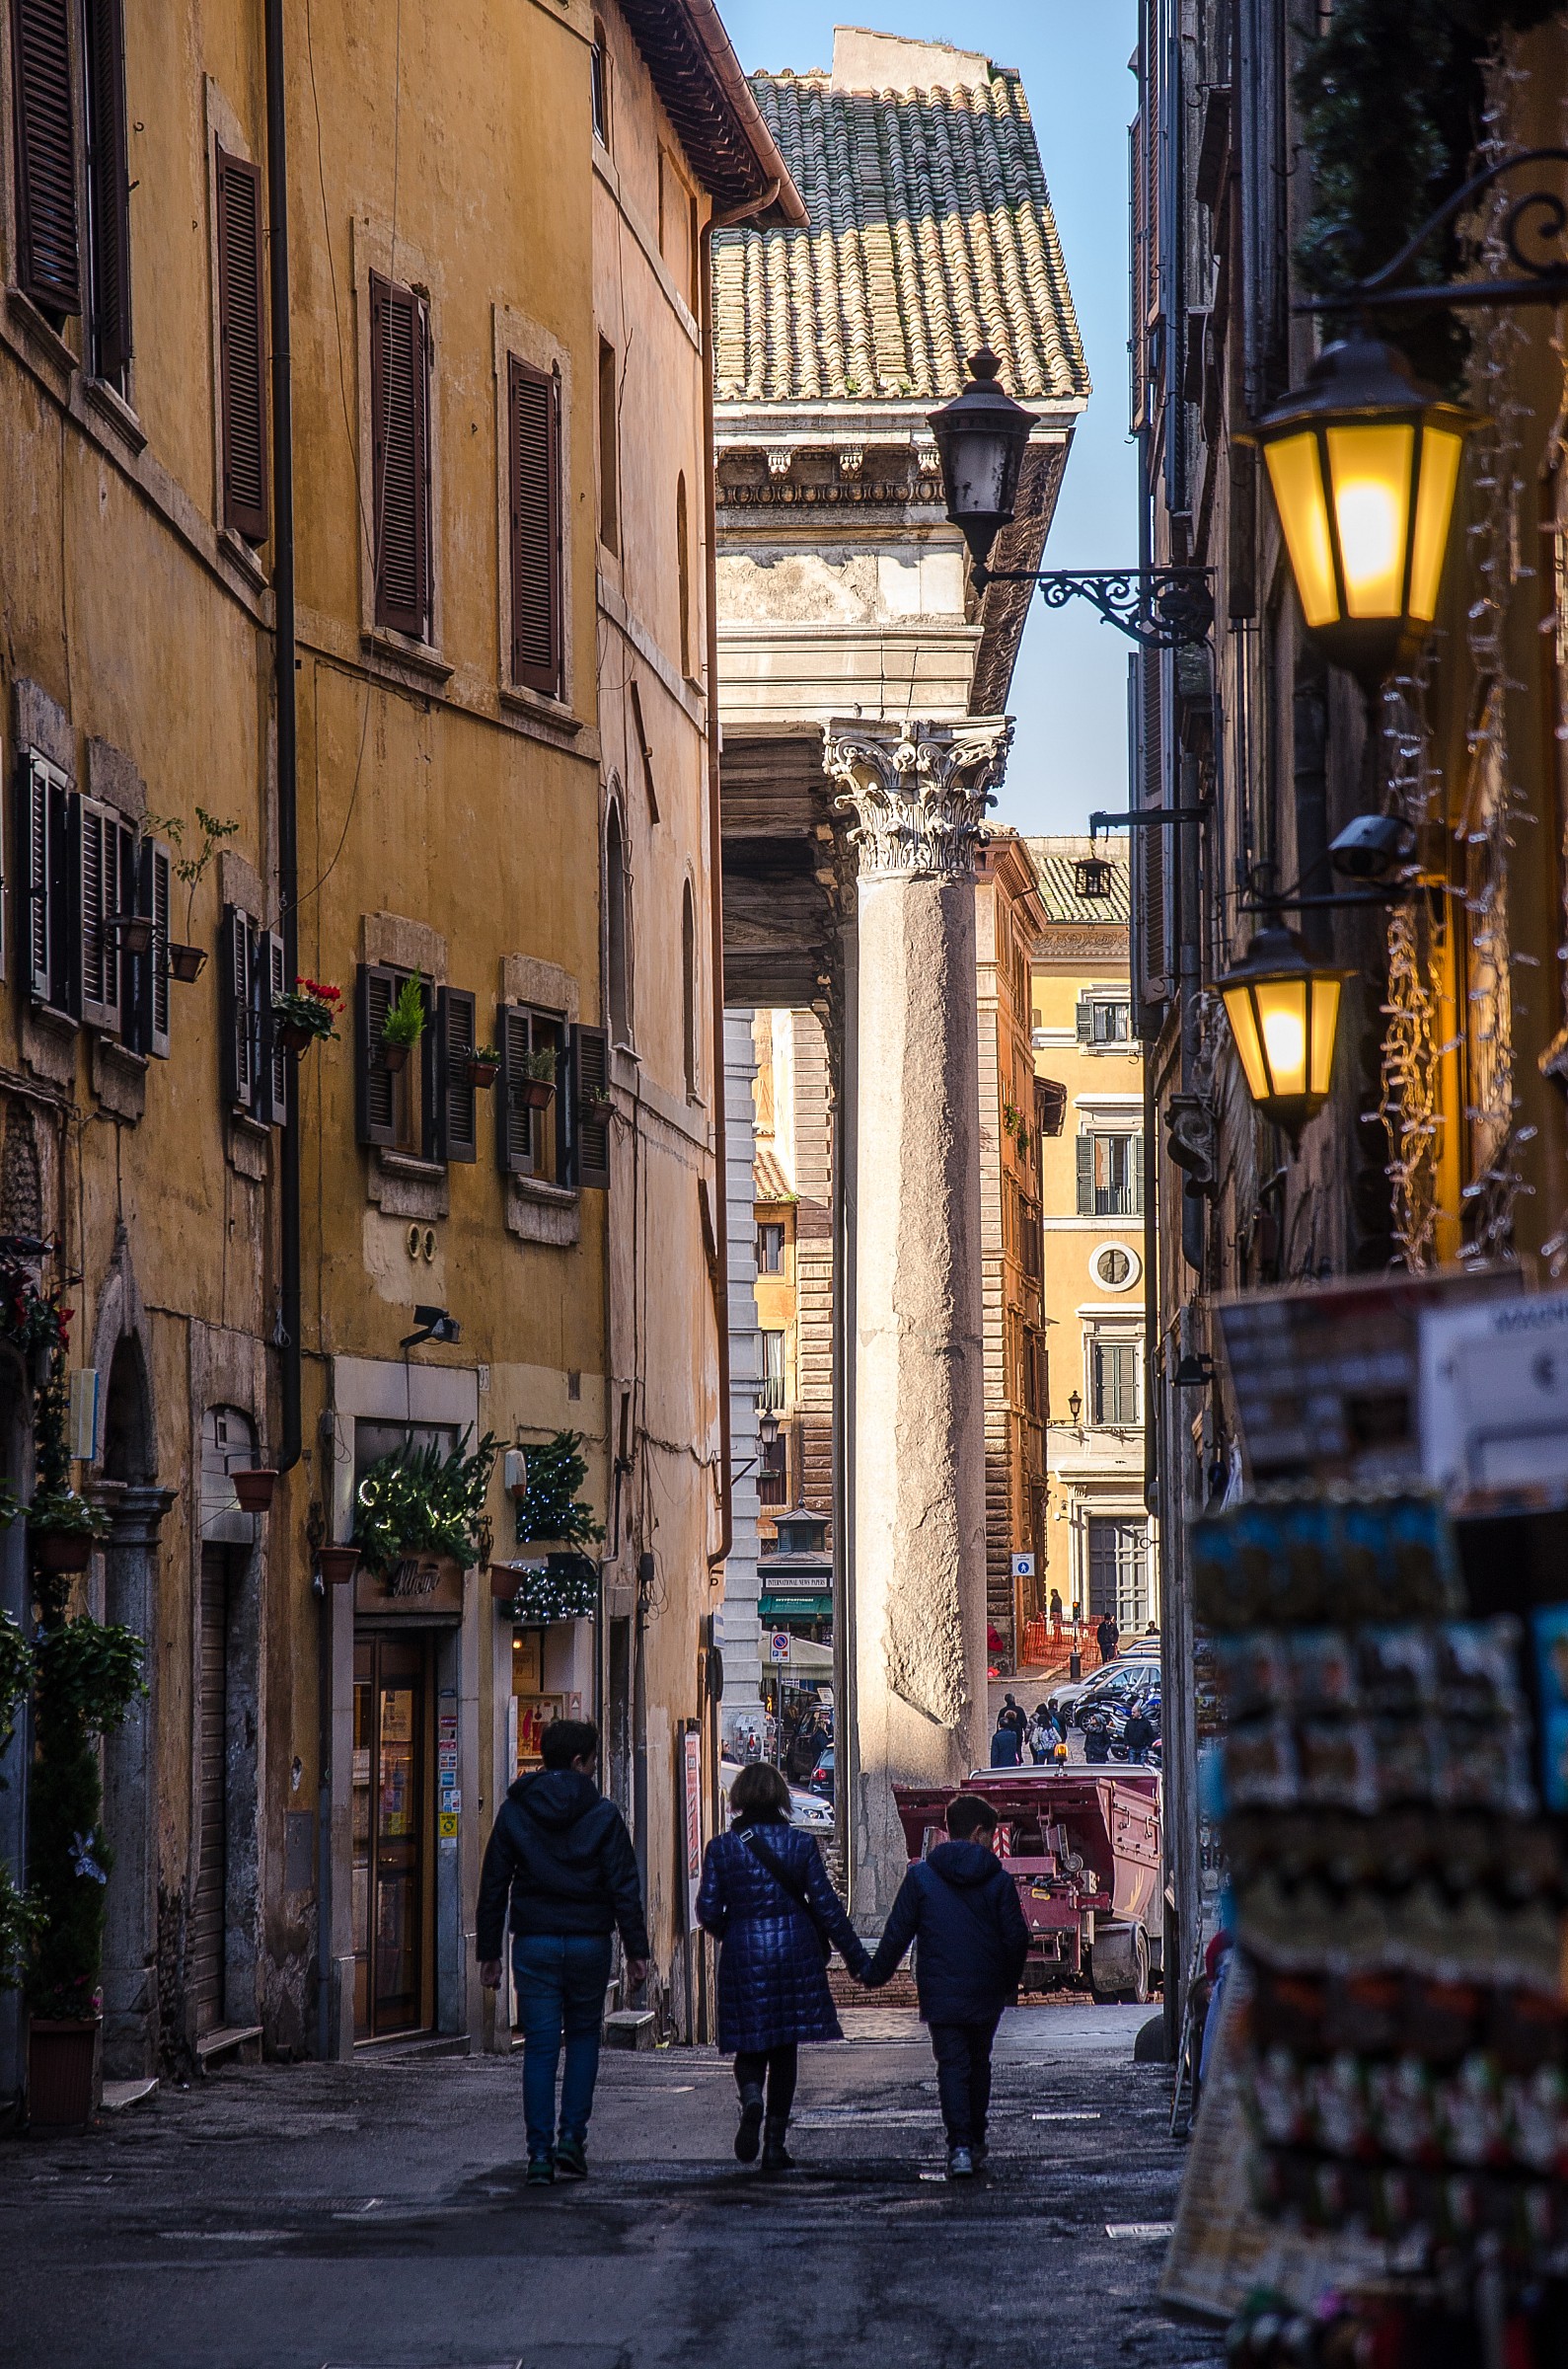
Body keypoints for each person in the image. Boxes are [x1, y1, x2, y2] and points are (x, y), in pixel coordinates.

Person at [477, 1717, 649, 2188]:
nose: (594, 1770)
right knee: (583, 2040)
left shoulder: (516, 1811)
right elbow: (624, 1887)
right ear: (578, 1762)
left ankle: (538, 2154)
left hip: (534, 1942)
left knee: (540, 2048)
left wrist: (489, 1951)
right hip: (590, 1942)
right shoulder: (604, 1815)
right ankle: (572, 2140)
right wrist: (637, 1951)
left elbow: (494, 1883)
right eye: (592, 1762)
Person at [697, 1760, 868, 2172]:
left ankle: (751, 2095)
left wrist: (734, 1932)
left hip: (743, 1955)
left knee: (749, 2041)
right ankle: (774, 2144)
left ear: (738, 1797)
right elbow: (827, 1908)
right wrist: (859, 1961)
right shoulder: (801, 1845)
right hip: (795, 1955)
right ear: (781, 1797)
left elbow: (706, 1910)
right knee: (785, 2049)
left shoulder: (721, 1847)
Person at [861, 1793, 1030, 2178]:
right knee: (978, 2063)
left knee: (952, 2067)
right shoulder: (999, 1881)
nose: (991, 1842)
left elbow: (897, 1933)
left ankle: (959, 2148)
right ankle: (976, 2138)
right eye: (989, 1834)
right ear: (976, 1833)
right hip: (986, 1990)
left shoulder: (922, 1876)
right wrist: (1008, 1982)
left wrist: (876, 1974)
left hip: (940, 1991)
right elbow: (1017, 1937)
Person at [1122, 1700, 1156, 1765]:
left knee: (1142, 1766)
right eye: (1132, 1712)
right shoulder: (1129, 1722)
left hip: (1142, 1747)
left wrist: (1147, 1744)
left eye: (1134, 1712)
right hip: (1132, 1747)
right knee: (1131, 1766)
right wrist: (1127, 1744)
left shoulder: (1146, 1722)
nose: (1132, 1714)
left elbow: (1151, 1734)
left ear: (1139, 1712)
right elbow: (1126, 1733)